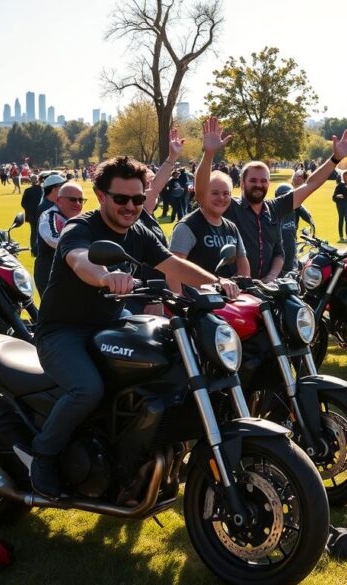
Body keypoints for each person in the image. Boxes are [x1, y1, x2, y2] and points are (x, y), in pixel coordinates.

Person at [30, 154, 240, 499]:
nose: (131, 206)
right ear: (100, 196)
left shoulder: (139, 231)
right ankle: (44, 455)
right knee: (87, 389)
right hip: (62, 332)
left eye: (138, 199)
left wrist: (216, 282)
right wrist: (105, 277)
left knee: (165, 361)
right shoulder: (79, 228)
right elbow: (80, 260)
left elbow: (173, 264)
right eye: (122, 199)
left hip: (111, 324)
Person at [199, 116, 347, 282]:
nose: (258, 185)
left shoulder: (275, 208)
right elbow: (202, 192)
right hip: (234, 293)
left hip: (267, 290)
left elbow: (310, 185)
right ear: (242, 183)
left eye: (263, 181)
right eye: (253, 180)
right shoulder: (229, 207)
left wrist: (335, 159)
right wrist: (209, 153)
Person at [169, 167, 251, 286]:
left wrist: (241, 289)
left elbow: (243, 266)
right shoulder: (187, 226)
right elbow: (174, 272)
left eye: (226, 193)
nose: (221, 198)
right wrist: (179, 300)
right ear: (203, 194)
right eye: (215, 193)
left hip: (228, 301)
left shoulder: (232, 228)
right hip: (197, 301)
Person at [34, 182, 86, 295]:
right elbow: (53, 239)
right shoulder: (49, 216)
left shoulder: (81, 219)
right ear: (58, 201)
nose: (78, 204)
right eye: (72, 199)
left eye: (81, 200)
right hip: (51, 276)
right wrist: (81, 247)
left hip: (74, 276)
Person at [278, 179, 315, 274]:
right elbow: (310, 220)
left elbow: (309, 220)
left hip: (279, 243)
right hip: (288, 241)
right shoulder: (296, 207)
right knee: (290, 265)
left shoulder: (273, 206)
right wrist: (312, 233)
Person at [21, 175, 44, 253]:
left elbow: (23, 203)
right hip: (41, 214)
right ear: (38, 180)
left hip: (31, 216)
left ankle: (34, 250)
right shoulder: (42, 190)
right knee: (41, 232)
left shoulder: (27, 190)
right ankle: (41, 249)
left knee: (33, 232)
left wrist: (28, 212)